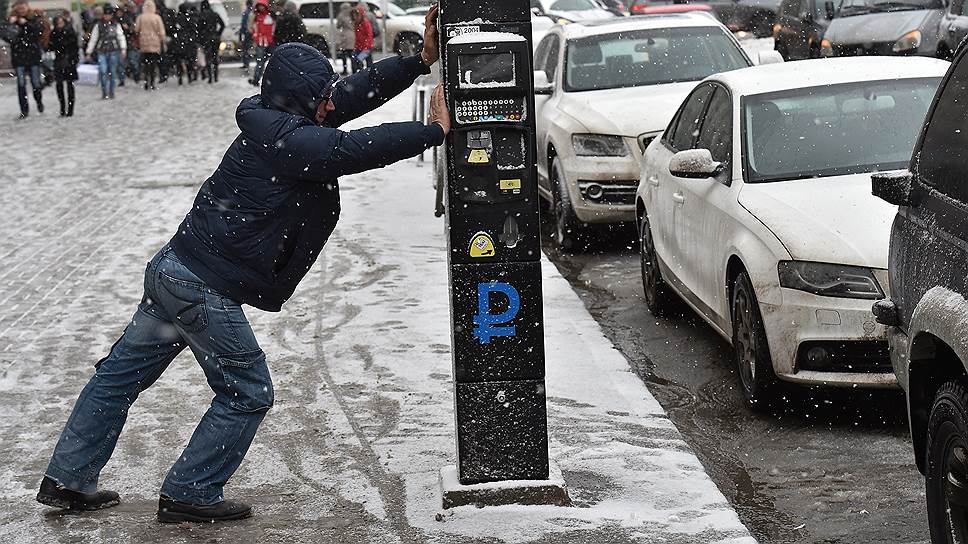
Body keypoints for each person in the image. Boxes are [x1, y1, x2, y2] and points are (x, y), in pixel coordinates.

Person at [36, 6, 447, 524]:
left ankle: (67, 478)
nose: (329, 103)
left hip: (175, 269)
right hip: (203, 286)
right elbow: (348, 148)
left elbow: (347, 96)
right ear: (301, 97)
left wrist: (418, 61)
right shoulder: (292, 141)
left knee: (117, 380)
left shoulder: (278, 117)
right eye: (321, 97)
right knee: (247, 391)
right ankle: (190, 490)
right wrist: (431, 131)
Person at [3, 0, 45, 118]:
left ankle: (39, 101)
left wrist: (26, 23)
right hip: (19, 56)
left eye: (23, 8)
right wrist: (10, 25)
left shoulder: (34, 18)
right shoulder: (11, 19)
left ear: (27, 7)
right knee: (21, 84)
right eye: (19, 8)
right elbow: (5, 35)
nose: (21, 10)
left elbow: (38, 32)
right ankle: (24, 110)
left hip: (32, 55)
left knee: (36, 83)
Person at [87, 4, 126, 99]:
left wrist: (123, 49)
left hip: (113, 51)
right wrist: (89, 51)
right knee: (103, 71)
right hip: (102, 51)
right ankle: (104, 92)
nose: (107, 16)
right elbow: (94, 39)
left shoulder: (116, 25)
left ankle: (111, 92)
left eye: (109, 14)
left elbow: (121, 37)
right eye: (105, 14)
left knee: (112, 72)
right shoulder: (98, 25)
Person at [49, 14, 78, 116]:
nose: (60, 25)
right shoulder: (54, 33)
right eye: (58, 23)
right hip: (59, 60)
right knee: (59, 85)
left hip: (69, 61)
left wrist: (73, 59)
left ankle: (70, 109)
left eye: (61, 22)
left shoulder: (70, 31)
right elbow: (51, 46)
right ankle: (62, 108)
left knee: (70, 85)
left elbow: (75, 47)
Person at [135, 0, 165, 90]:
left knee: (145, 64)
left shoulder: (140, 17)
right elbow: (161, 32)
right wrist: (161, 39)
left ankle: (146, 82)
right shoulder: (157, 18)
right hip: (155, 44)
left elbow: (136, 29)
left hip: (144, 44)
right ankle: (152, 82)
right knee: (153, 64)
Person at [197, 0, 224, 83]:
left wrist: (201, 38)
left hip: (206, 39)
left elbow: (199, 29)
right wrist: (217, 34)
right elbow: (222, 25)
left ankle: (210, 78)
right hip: (215, 39)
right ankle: (215, 77)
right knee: (215, 58)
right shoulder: (215, 14)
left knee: (208, 58)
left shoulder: (201, 15)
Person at [246, 0, 272, 86]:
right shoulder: (255, 16)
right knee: (260, 62)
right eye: (259, 6)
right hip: (260, 42)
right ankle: (256, 79)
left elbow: (273, 28)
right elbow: (250, 28)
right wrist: (256, 36)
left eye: (262, 6)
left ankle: (264, 79)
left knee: (268, 62)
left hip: (269, 42)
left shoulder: (270, 16)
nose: (261, 8)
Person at [172, 3, 199, 85]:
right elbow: (194, 30)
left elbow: (173, 30)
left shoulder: (176, 19)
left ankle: (180, 77)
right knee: (189, 61)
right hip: (189, 44)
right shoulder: (190, 18)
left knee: (179, 62)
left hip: (178, 43)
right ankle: (190, 77)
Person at [118, 1, 140, 84]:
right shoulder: (121, 18)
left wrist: (129, 29)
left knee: (132, 61)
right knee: (123, 62)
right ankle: (123, 79)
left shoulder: (131, 17)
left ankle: (135, 75)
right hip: (124, 42)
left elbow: (134, 30)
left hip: (129, 42)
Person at [351, 3, 372, 73]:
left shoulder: (365, 23)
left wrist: (366, 47)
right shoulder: (356, 24)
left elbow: (369, 36)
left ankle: (366, 73)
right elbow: (357, 37)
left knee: (361, 60)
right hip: (359, 47)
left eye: (356, 15)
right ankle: (358, 74)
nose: (355, 17)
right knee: (355, 60)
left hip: (366, 47)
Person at [334, 2, 354, 75]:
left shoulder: (341, 15)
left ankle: (345, 69)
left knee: (344, 54)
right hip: (353, 35)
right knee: (352, 54)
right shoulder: (352, 14)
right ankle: (354, 68)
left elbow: (338, 26)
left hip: (345, 36)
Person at [238, 0, 252, 72]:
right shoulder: (253, 12)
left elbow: (243, 24)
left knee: (245, 49)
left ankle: (246, 63)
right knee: (248, 49)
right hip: (252, 33)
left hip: (247, 33)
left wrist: (241, 33)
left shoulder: (246, 12)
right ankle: (247, 63)